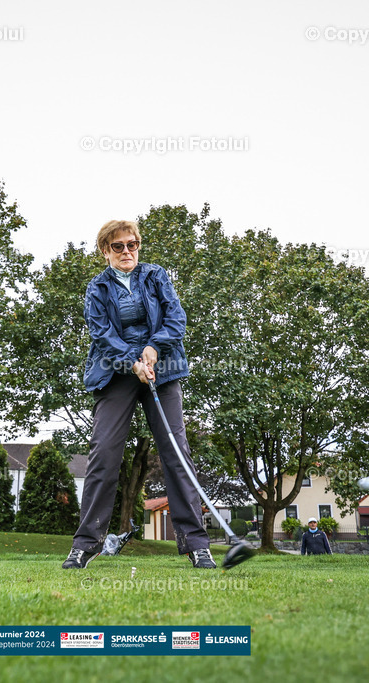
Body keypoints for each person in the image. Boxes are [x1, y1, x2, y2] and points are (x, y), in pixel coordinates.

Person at [62, 219, 214, 570]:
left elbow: (175, 319)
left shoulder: (156, 275)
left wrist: (154, 349)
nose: (127, 251)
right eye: (118, 246)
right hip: (116, 372)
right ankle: (85, 545)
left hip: (162, 369)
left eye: (132, 244)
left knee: (176, 451)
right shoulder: (97, 288)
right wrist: (132, 362)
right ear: (105, 251)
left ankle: (196, 544)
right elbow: (101, 334)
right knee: (103, 454)